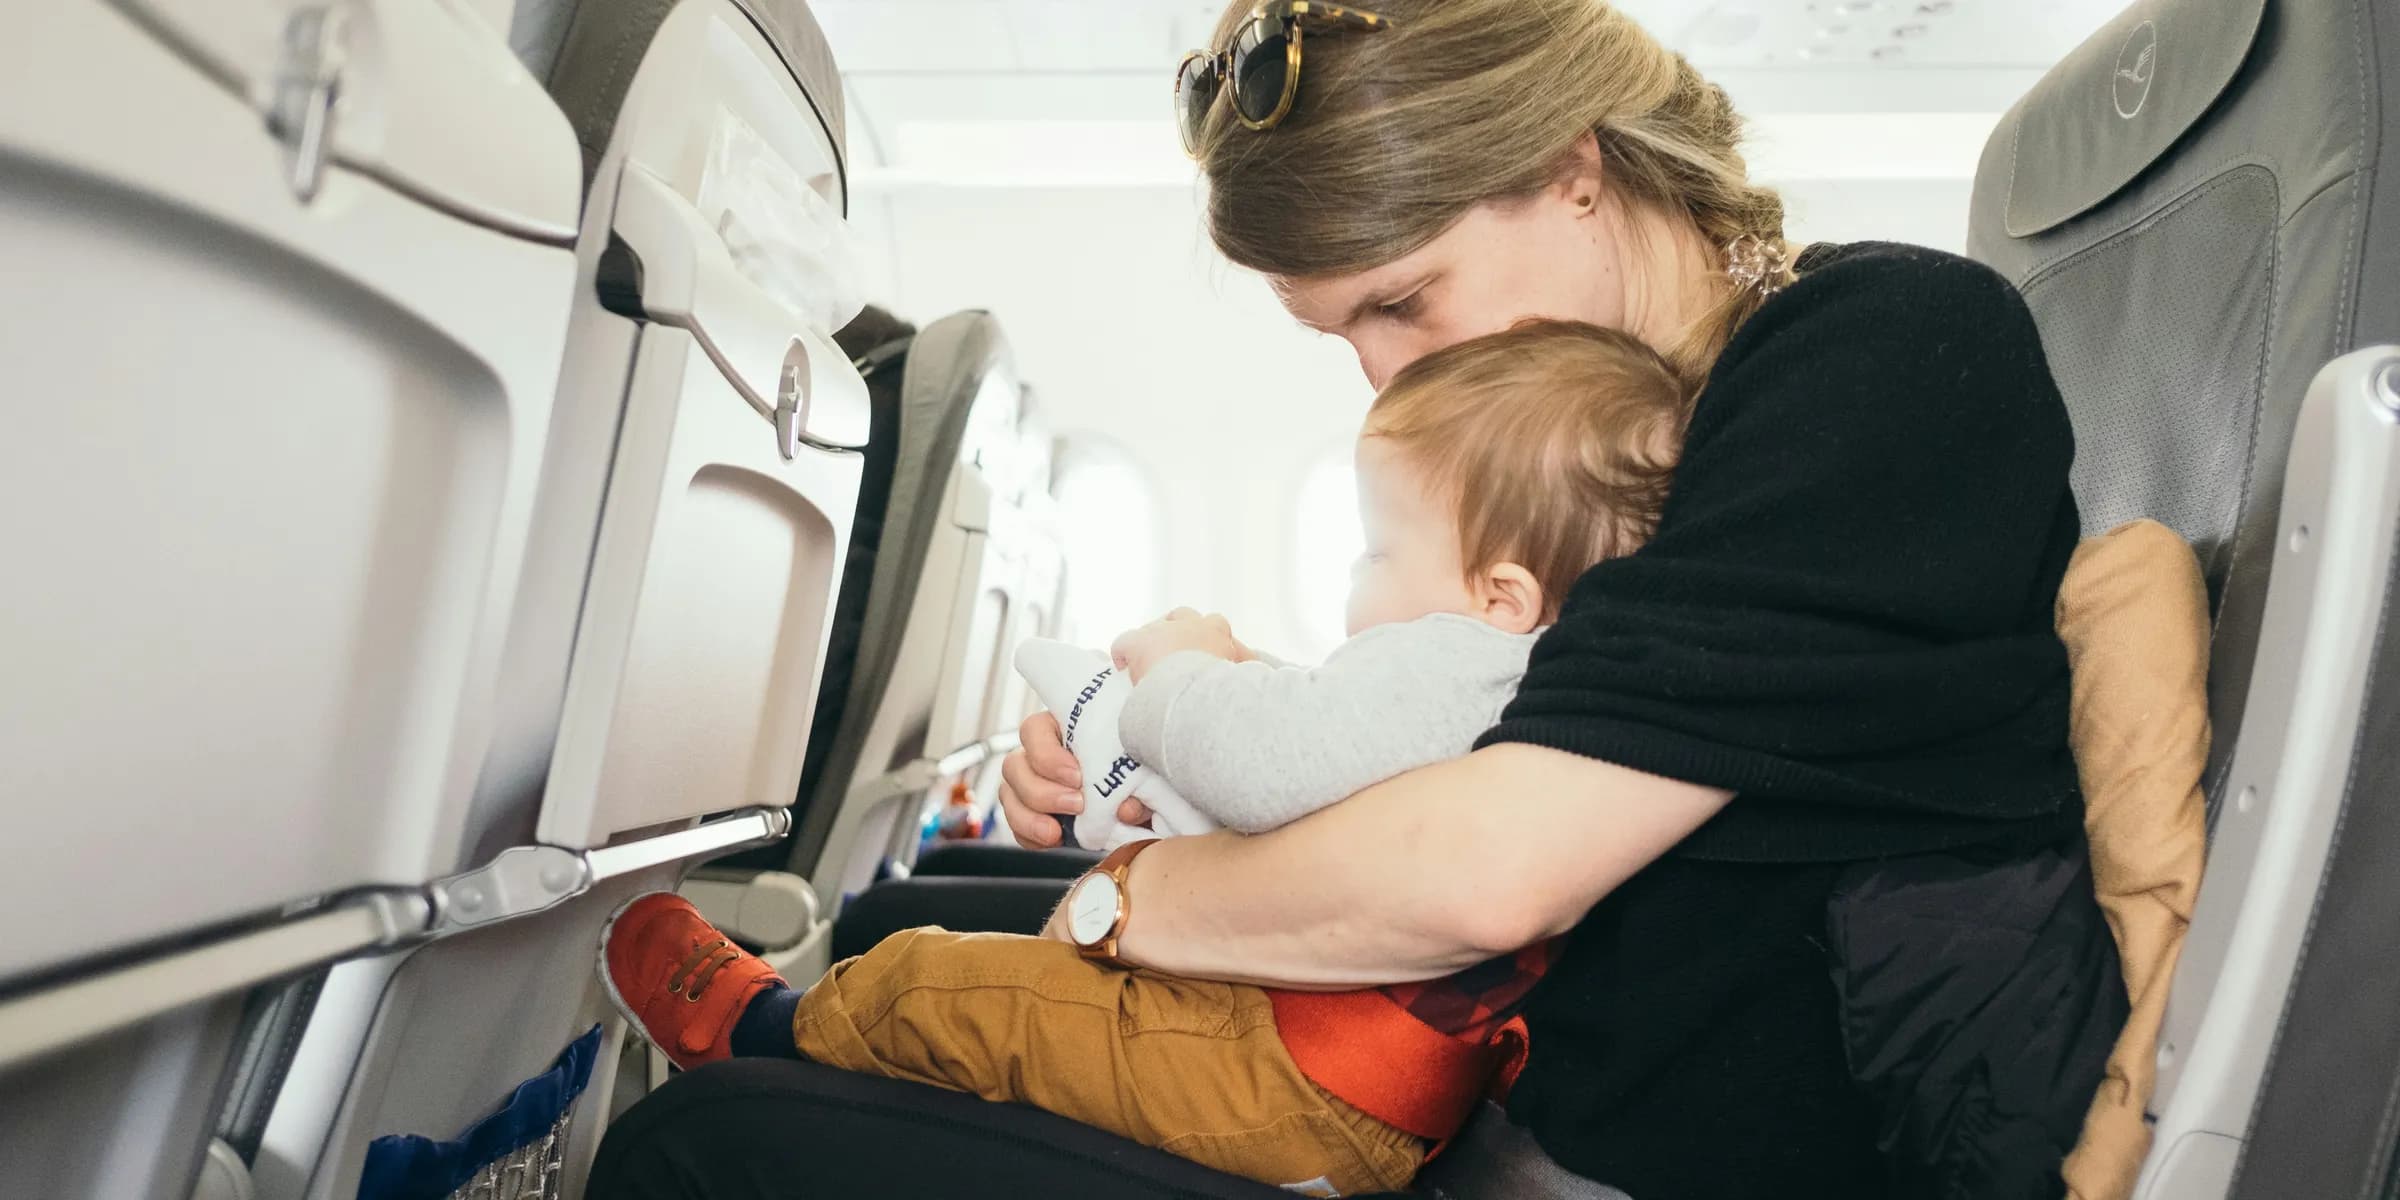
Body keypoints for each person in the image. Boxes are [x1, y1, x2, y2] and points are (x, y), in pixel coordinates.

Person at [591, 1, 2126, 1196]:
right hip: (1454, 1108)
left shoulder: (1881, 357)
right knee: (889, 928)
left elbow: (1486, 875)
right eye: (1341, 330)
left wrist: (1134, 901)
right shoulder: (1613, 428)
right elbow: (1523, 726)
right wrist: (1165, 750)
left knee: (707, 1152)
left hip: (1592, 1163)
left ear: (1573, 171)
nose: (1389, 369)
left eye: (1403, 298)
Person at [598, 321, 1690, 1197]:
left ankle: (763, 1030)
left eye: (1376, 551)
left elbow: (1267, 763)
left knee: (950, 984)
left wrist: (1180, 671)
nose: (1359, 582)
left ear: (1501, 593)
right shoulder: (1530, 677)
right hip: (1343, 1089)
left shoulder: (1461, 660)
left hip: (1287, 1073)